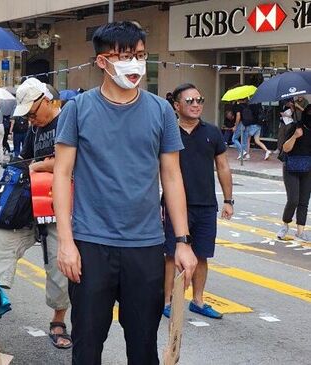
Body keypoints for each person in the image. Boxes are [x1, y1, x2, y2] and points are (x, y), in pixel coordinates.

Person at [52, 21, 197, 364]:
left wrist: (183, 241)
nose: (135, 64)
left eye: (141, 56)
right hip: (90, 245)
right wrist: (65, 242)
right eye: (125, 57)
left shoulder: (160, 110)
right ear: (102, 61)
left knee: (143, 344)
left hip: (145, 246)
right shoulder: (78, 109)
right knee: (87, 344)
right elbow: (62, 174)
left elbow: (172, 177)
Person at [0, 77, 72, 350]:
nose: (31, 120)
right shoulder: (34, 129)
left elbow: (73, 160)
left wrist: (40, 166)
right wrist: (39, 166)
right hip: (27, 206)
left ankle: (58, 320)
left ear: (46, 101)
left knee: (60, 268)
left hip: (61, 210)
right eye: (27, 116)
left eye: (33, 113)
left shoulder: (70, 119)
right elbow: (27, 161)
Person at [163, 84, 234, 320]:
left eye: (199, 100)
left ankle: (198, 300)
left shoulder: (212, 132)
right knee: (172, 255)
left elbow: (223, 166)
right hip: (175, 206)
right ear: (177, 105)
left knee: (202, 255)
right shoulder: (168, 131)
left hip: (205, 205)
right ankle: (168, 301)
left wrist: (228, 200)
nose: (196, 105)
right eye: (190, 101)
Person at [277, 105, 311, 242]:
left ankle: (300, 231)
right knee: (293, 199)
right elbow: (285, 148)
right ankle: (285, 224)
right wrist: (296, 136)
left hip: (308, 168)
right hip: (291, 166)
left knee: (304, 201)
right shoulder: (295, 127)